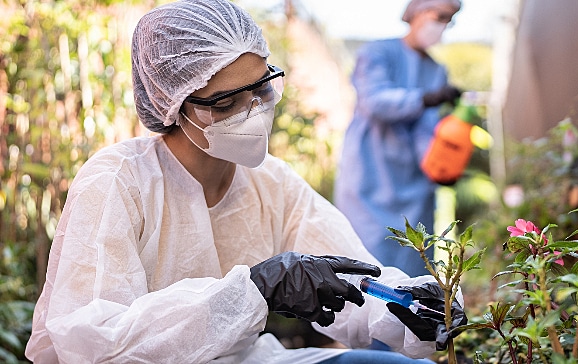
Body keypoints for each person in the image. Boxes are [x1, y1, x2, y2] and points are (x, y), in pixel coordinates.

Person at [24, 0, 465, 363]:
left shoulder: (270, 180)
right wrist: (252, 288)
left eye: (262, 88)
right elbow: (92, 343)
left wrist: (409, 306)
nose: (253, 110)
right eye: (226, 102)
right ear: (172, 105)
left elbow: (354, 280)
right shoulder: (119, 181)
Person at [334, 0, 462, 278]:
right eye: (439, 16)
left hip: (414, 184)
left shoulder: (437, 71)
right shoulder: (377, 52)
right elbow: (375, 102)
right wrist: (425, 98)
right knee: (364, 264)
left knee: (411, 268)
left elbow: (427, 130)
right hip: (370, 174)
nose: (442, 26)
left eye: (449, 20)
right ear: (417, 12)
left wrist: (439, 167)